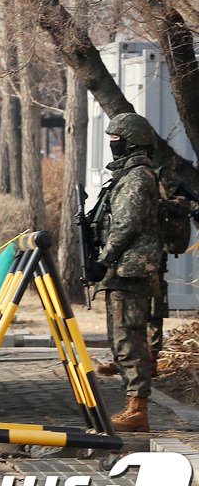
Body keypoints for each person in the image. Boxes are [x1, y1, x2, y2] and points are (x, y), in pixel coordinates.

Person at [92, 112, 166, 432]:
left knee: (129, 338)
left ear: (132, 141)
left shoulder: (137, 177)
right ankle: (132, 405)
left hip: (130, 271)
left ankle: (138, 410)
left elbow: (126, 224)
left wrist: (104, 259)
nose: (112, 145)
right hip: (123, 270)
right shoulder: (129, 174)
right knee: (120, 337)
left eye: (116, 140)